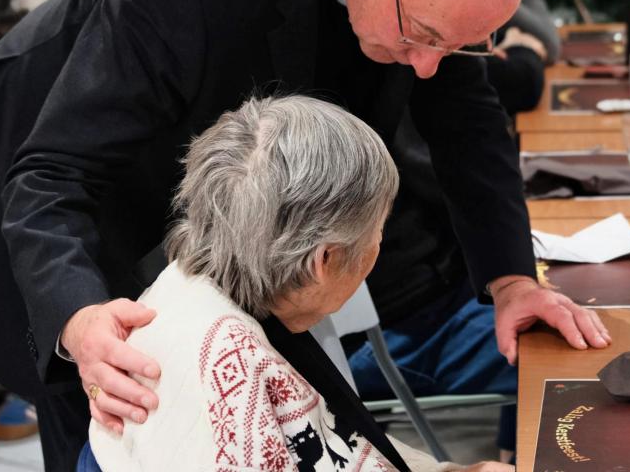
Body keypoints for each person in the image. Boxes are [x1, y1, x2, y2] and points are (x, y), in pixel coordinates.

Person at [0, 0, 610, 469]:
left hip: (226, 208)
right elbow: (51, 174)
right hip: (64, 183)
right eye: (421, 37)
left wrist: (513, 282)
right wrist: (77, 314)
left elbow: (467, 121)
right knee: (116, 411)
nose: (426, 67)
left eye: (453, 46)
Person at [74, 94, 512, 471]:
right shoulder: (236, 373)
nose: (380, 243)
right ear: (325, 260)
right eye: (378, 229)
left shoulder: (193, 282)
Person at [349, 0, 562, 461]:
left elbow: (476, 115)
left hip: (442, 288)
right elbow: (511, 84)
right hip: (397, 330)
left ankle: (514, 450)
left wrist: (512, 282)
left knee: (560, 312)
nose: (426, 63)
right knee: (570, 352)